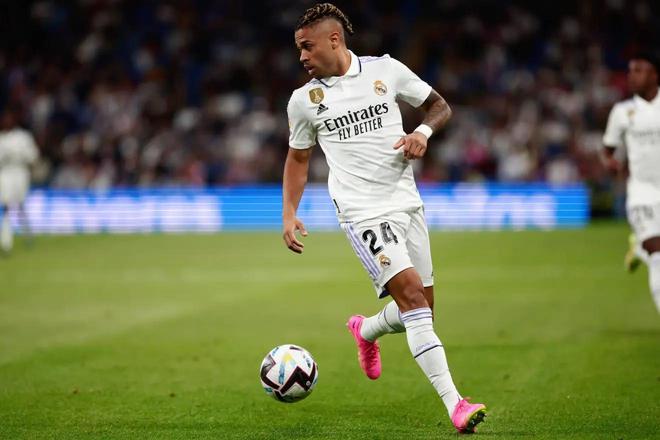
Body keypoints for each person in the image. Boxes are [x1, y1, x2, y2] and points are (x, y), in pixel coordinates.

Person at [281, 3, 486, 433]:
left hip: (406, 202)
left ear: (334, 39)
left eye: (307, 47)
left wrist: (422, 132)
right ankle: (456, 405)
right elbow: (298, 158)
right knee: (413, 300)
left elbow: (439, 106)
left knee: (423, 308)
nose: (301, 56)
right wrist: (289, 213)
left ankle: (367, 330)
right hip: (362, 212)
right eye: (299, 48)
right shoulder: (303, 101)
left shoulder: (385, 70)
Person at [603, 52, 660, 313]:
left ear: (654, 75)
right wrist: (611, 163)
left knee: (654, 251)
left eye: (639, 70)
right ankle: (644, 248)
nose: (631, 76)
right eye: (630, 71)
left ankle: (638, 249)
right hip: (641, 193)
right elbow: (607, 150)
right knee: (658, 254)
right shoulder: (622, 112)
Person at [0, 109, 39, 254]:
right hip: (5, 173)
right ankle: (6, 243)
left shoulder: (23, 137)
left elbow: (33, 156)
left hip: (20, 173)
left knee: (20, 205)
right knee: (6, 206)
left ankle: (28, 233)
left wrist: (21, 155)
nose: (6, 122)